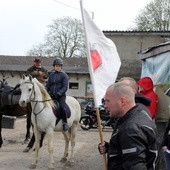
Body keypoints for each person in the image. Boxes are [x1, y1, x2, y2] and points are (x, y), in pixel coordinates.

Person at [98, 82, 158, 170]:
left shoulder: (131, 129)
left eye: (107, 101)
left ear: (123, 101)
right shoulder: (138, 114)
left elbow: (135, 166)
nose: (105, 106)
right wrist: (111, 147)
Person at [46, 58, 69, 131]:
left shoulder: (64, 75)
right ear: (54, 66)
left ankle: (65, 123)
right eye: (56, 66)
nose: (58, 67)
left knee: (62, 107)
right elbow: (48, 85)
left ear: (61, 66)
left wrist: (58, 94)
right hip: (51, 95)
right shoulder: (51, 75)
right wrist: (46, 92)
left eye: (59, 66)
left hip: (60, 96)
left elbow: (65, 87)